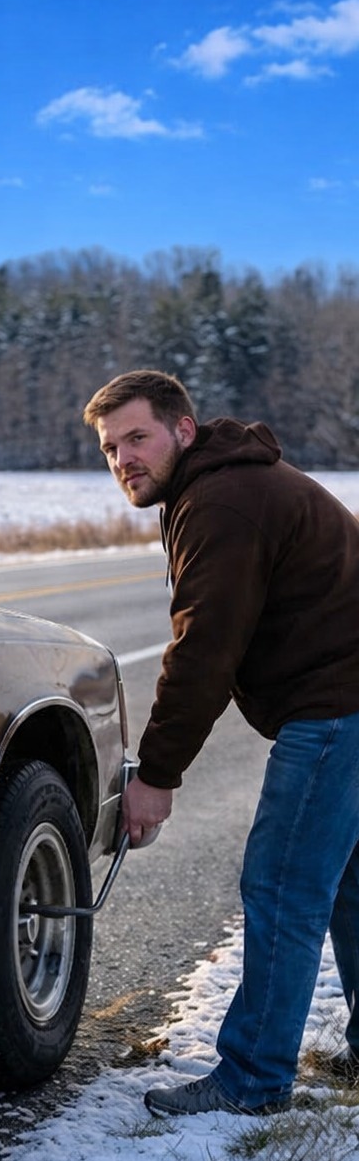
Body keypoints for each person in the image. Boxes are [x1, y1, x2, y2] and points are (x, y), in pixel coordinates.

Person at [83, 368, 359, 1118]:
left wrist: (157, 775)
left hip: (337, 709)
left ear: (183, 429)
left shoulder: (223, 502)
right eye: (110, 449)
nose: (123, 460)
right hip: (346, 702)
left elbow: (203, 650)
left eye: (136, 437)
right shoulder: (225, 484)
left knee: (282, 887)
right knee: (345, 885)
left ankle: (252, 1079)